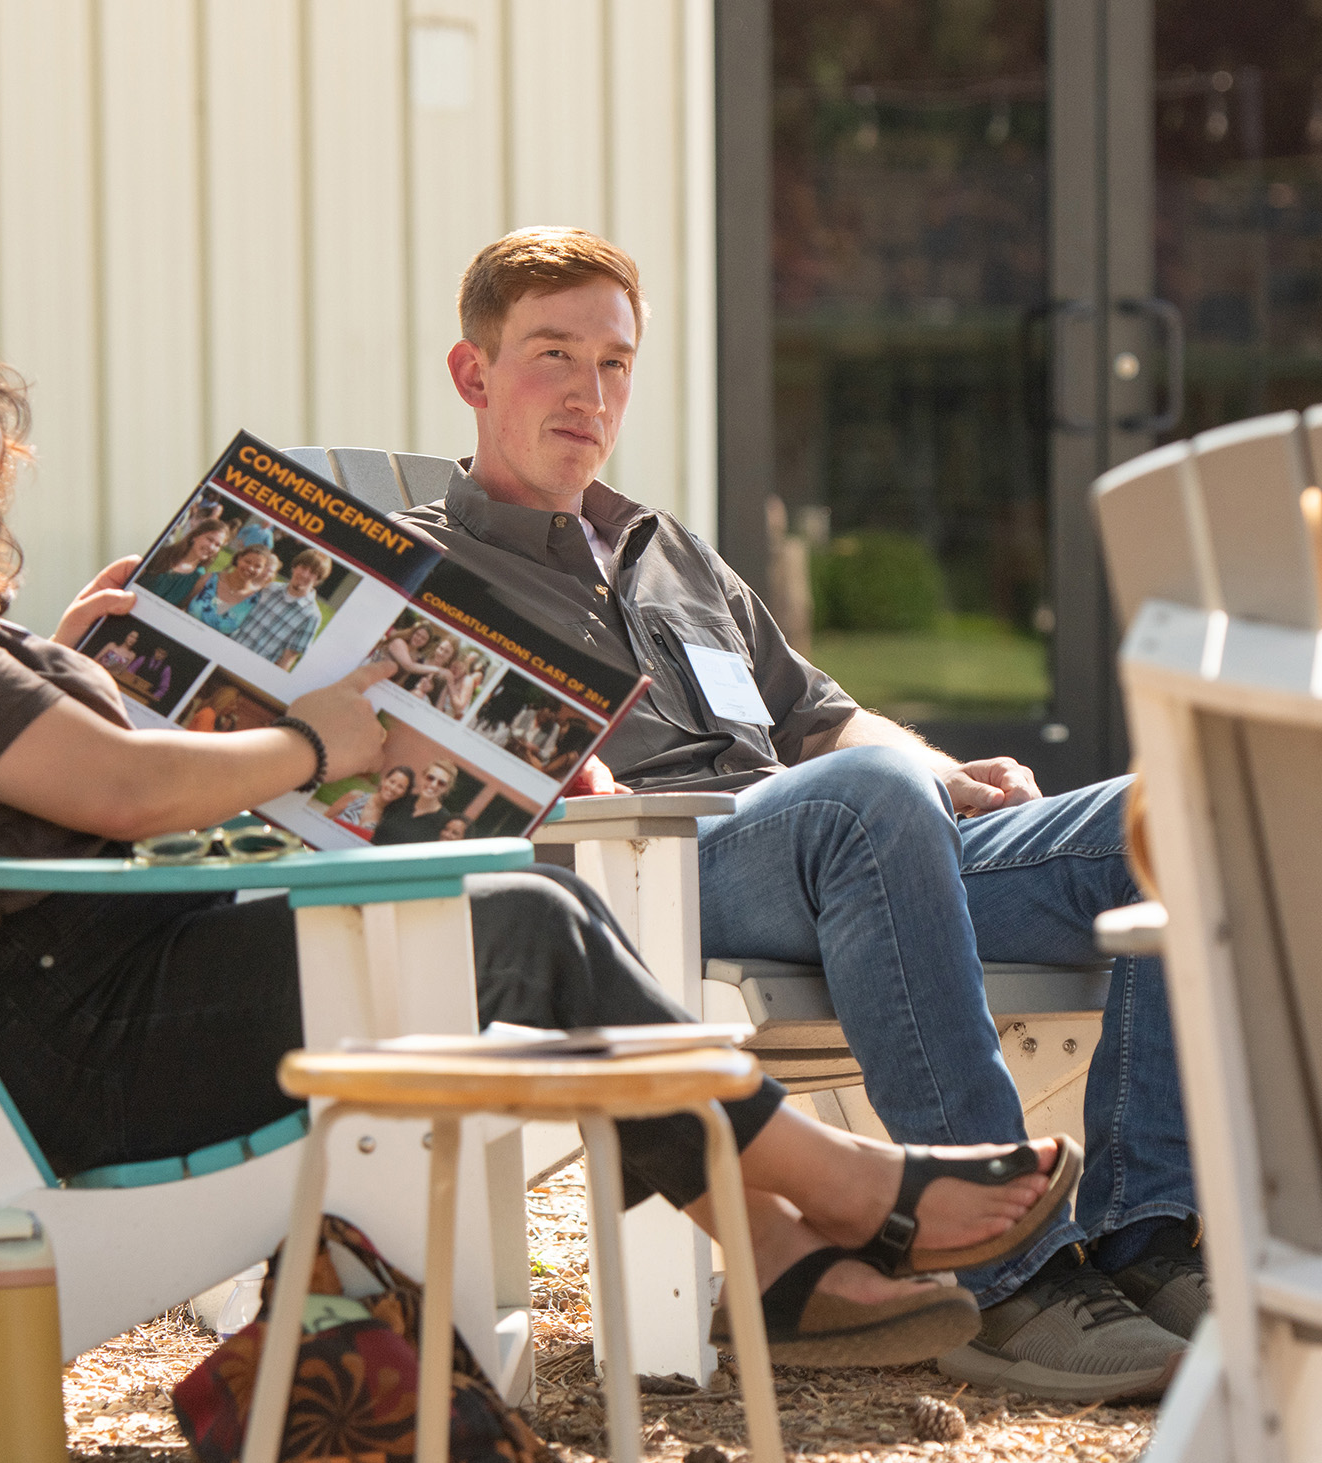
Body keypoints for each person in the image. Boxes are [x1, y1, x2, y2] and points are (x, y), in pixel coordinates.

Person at [0, 274, 1086, 1369]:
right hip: (90, 1031)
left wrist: (74, 660)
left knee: (520, 905)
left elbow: (77, 772)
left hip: (114, 984)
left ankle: (780, 1240)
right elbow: (125, 793)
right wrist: (327, 735)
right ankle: (831, 1191)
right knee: (517, 915)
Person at [390, 227, 1197, 1402]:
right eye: (552, 355)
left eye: (613, 362)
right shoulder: (417, 573)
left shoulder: (668, 552)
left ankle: (1149, 1234)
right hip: (656, 872)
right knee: (866, 800)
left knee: (1176, 814)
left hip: (855, 847)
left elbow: (824, 716)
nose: (589, 393)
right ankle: (1004, 1275)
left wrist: (946, 772)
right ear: (473, 372)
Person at [229, 542, 332, 670]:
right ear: (294, 567)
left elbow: (287, 660)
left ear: (318, 580)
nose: (305, 575)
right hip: (229, 651)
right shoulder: (269, 588)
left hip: (253, 669)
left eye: (312, 573)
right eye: (303, 568)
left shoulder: (311, 616)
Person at [188, 527, 276, 636]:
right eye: (247, 561)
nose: (251, 568)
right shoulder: (209, 578)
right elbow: (183, 605)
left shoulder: (255, 601)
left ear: (263, 570)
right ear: (239, 559)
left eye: (257, 566)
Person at [140, 509, 231, 610]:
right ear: (195, 536)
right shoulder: (161, 553)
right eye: (209, 539)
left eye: (217, 545)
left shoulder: (199, 579)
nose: (211, 547)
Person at [374, 760, 461, 846]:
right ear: (422, 778)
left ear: (446, 789)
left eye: (441, 783)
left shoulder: (444, 822)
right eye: (430, 778)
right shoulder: (401, 800)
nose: (433, 784)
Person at [328, 763, 414, 838]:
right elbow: (326, 817)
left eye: (400, 787)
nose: (393, 788)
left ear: (404, 794)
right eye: (392, 782)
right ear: (384, 781)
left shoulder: (387, 821)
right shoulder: (355, 796)